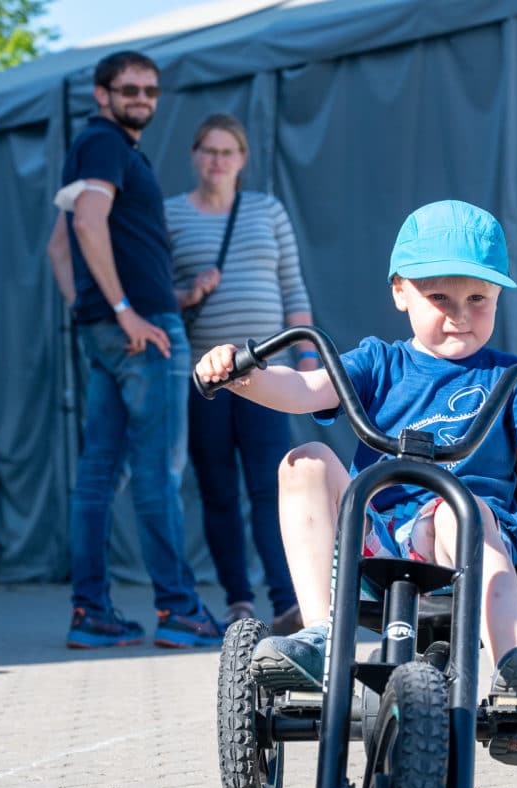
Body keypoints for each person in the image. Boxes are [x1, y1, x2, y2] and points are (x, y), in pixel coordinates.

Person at [194, 200, 517, 764]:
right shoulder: (379, 362)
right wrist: (243, 375)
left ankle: (515, 668)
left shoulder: (512, 378)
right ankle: (320, 636)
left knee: (461, 511)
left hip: (463, 542)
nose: (460, 314)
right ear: (401, 293)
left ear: (498, 300)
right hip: (375, 538)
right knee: (305, 459)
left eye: (478, 299)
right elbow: (306, 389)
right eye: (440, 298)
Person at [46, 50, 221, 650]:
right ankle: (179, 612)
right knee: (156, 474)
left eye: (150, 91)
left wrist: (93, 309)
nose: (141, 99)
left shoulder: (103, 149)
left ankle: (90, 612)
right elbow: (87, 226)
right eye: (128, 90)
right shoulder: (103, 145)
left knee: (97, 476)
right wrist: (124, 312)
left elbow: (58, 249)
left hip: (116, 331)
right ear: (102, 94)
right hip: (140, 334)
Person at [165, 113, 314, 636]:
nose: (217, 161)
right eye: (208, 150)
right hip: (203, 379)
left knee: (271, 487)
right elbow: (160, 300)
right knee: (218, 492)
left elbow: (293, 291)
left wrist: (308, 361)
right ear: (194, 155)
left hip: (264, 374)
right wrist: (190, 294)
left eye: (227, 152)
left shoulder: (267, 211)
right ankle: (237, 601)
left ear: (242, 160)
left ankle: (287, 600)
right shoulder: (171, 216)